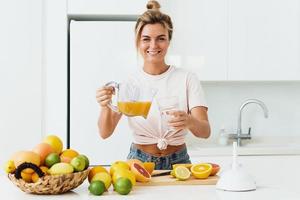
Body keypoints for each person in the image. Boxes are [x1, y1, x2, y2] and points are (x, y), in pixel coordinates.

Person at [96, 0, 210, 170]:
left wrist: (189, 121)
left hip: (180, 162)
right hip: (139, 160)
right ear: (138, 42)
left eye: (161, 39)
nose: (153, 45)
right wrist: (105, 106)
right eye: (146, 39)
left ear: (169, 41)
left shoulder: (187, 78)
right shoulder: (129, 83)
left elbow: (205, 131)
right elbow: (105, 133)